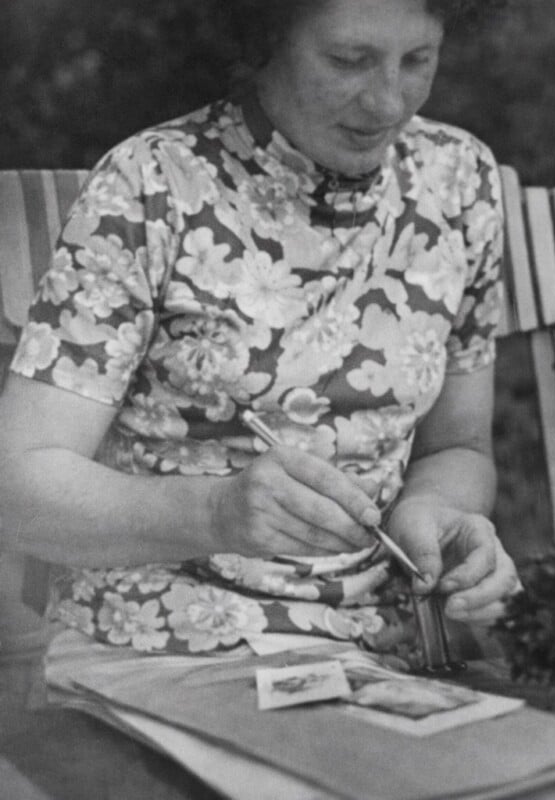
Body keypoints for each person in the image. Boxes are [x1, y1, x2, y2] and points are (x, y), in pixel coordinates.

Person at [0, 0, 518, 664]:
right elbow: (18, 485)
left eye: (418, 60)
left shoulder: (458, 180)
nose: (391, 102)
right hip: (168, 645)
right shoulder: (152, 184)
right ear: (265, 40)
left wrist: (434, 514)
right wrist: (214, 514)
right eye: (349, 60)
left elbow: (460, 447)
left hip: (390, 653)